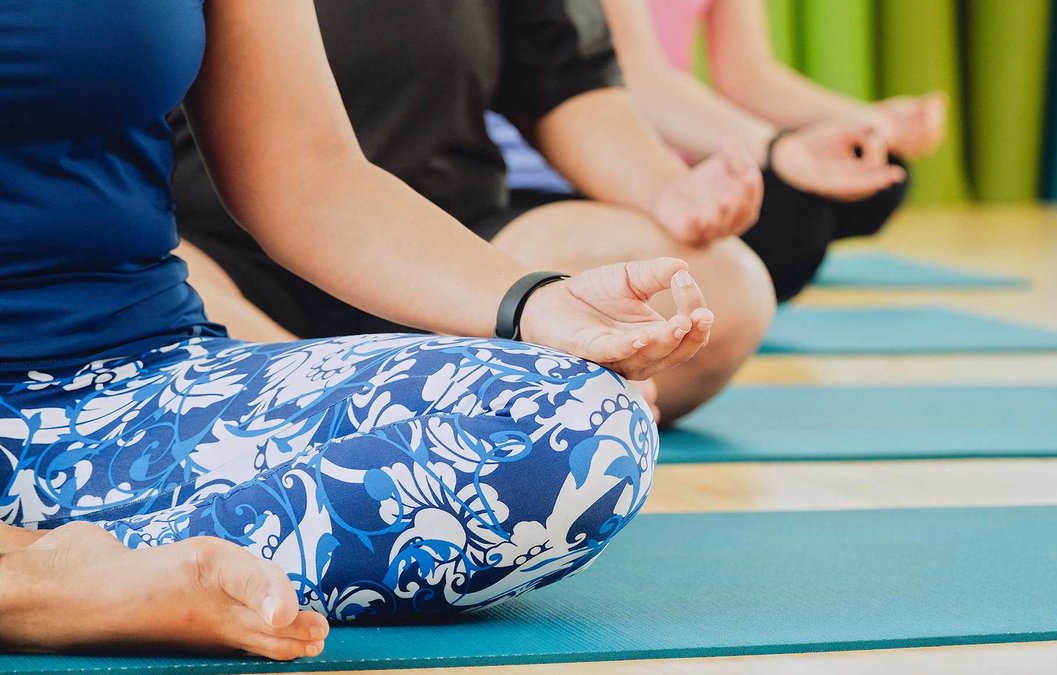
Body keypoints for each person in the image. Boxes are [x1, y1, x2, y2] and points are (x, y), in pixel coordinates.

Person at [0, 0, 714, 660]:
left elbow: (309, 172)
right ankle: (36, 588)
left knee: (582, 423)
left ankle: (118, 566)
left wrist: (537, 305)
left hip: (136, 389)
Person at [173, 0, 764, 426]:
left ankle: (413, 407)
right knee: (148, 274)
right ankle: (349, 409)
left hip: (442, 248)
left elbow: (570, 87)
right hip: (206, 254)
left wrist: (667, 190)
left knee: (720, 290)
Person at [501, 0, 945, 304]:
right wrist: (777, 148)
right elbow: (637, 83)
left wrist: (873, 123)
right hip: (560, 174)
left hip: (665, 160)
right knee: (791, 227)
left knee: (875, 174)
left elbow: (749, 74)